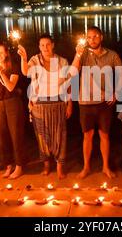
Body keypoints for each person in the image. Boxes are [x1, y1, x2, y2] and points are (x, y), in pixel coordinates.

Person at [71, 26, 122, 179]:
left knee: (104, 135)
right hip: (85, 102)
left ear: (101, 37)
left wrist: (116, 92)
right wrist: (77, 54)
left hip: (104, 102)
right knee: (87, 135)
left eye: (95, 36)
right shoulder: (83, 54)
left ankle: (105, 167)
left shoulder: (112, 55)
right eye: (89, 37)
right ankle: (86, 167)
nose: (92, 40)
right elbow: (73, 72)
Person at [18, 34, 72, 179]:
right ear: (39, 47)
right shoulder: (35, 60)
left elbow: (68, 84)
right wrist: (23, 58)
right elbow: (25, 72)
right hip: (39, 103)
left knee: (60, 135)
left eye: (48, 44)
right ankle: (46, 165)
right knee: (42, 136)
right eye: (42, 45)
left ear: (53, 45)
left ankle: (60, 166)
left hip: (58, 102)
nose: (45, 48)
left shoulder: (62, 61)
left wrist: (69, 103)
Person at [0, 43, 25, 179]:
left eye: (1, 52)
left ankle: (19, 166)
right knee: (2, 136)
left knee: (15, 135)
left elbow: (10, 87)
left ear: (6, 53)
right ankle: (8, 165)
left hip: (12, 103)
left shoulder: (13, 66)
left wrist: (1, 72)